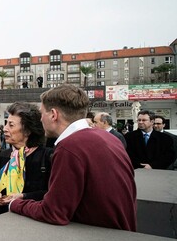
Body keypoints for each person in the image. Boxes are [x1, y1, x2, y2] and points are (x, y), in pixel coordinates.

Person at [9, 84, 137, 231]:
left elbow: (54, 213)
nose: (40, 119)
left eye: (41, 113)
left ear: (53, 115)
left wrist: (15, 204)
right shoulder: (109, 138)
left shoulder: (69, 147)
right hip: (121, 237)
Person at [0, 103, 52, 217]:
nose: (5, 129)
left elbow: (51, 194)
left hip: (31, 223)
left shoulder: (47, 157)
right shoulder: (1, 156)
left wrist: (23, 197)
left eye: (11, 125)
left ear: (27, 131)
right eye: (6, 123)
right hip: (1, 221)